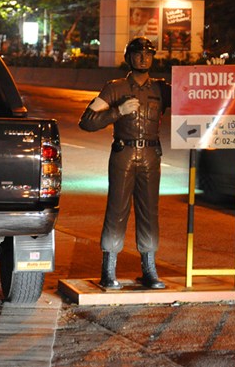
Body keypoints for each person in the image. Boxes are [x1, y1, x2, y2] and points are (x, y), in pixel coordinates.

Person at [79, 37, 170, 290]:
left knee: (149, 211)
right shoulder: (115, 88)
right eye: (138, 53)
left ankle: (149, 269)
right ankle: (108, 270)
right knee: (117, 209)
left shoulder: (162, 89)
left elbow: (194, 97)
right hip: (124, 153)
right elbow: (87, 121)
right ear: (128, 57)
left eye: (148, 54)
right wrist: (117, 111)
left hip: (151, 155)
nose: (143, 58)